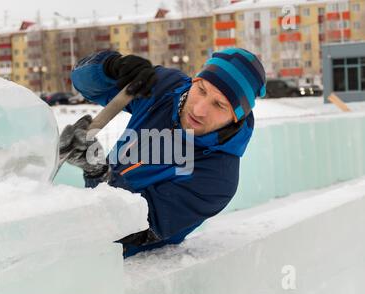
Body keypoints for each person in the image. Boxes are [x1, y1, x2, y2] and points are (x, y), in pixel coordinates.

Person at [59, 48, 266, 258]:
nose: (199, 110)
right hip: (85, 222)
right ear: (194, 80)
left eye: (219, 105)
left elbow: (132, 230)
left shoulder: (217, 178)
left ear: (236, 117)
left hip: (122, 263)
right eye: (202, 90)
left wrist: (97, 172)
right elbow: (82, 82)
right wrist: (111, 68)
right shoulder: (166, 87)